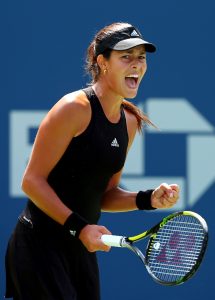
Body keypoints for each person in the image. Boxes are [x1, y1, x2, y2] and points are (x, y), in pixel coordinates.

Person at [5, 22, 180, 300]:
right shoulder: (74, 108)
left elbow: (104, 195)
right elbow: (31, 182)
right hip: (39, 246)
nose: (136, 65)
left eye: (141, 57)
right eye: (126, 56)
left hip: (80, 249)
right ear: (103, 62)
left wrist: (149, 199)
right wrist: (80, 227)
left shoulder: (130, 122)